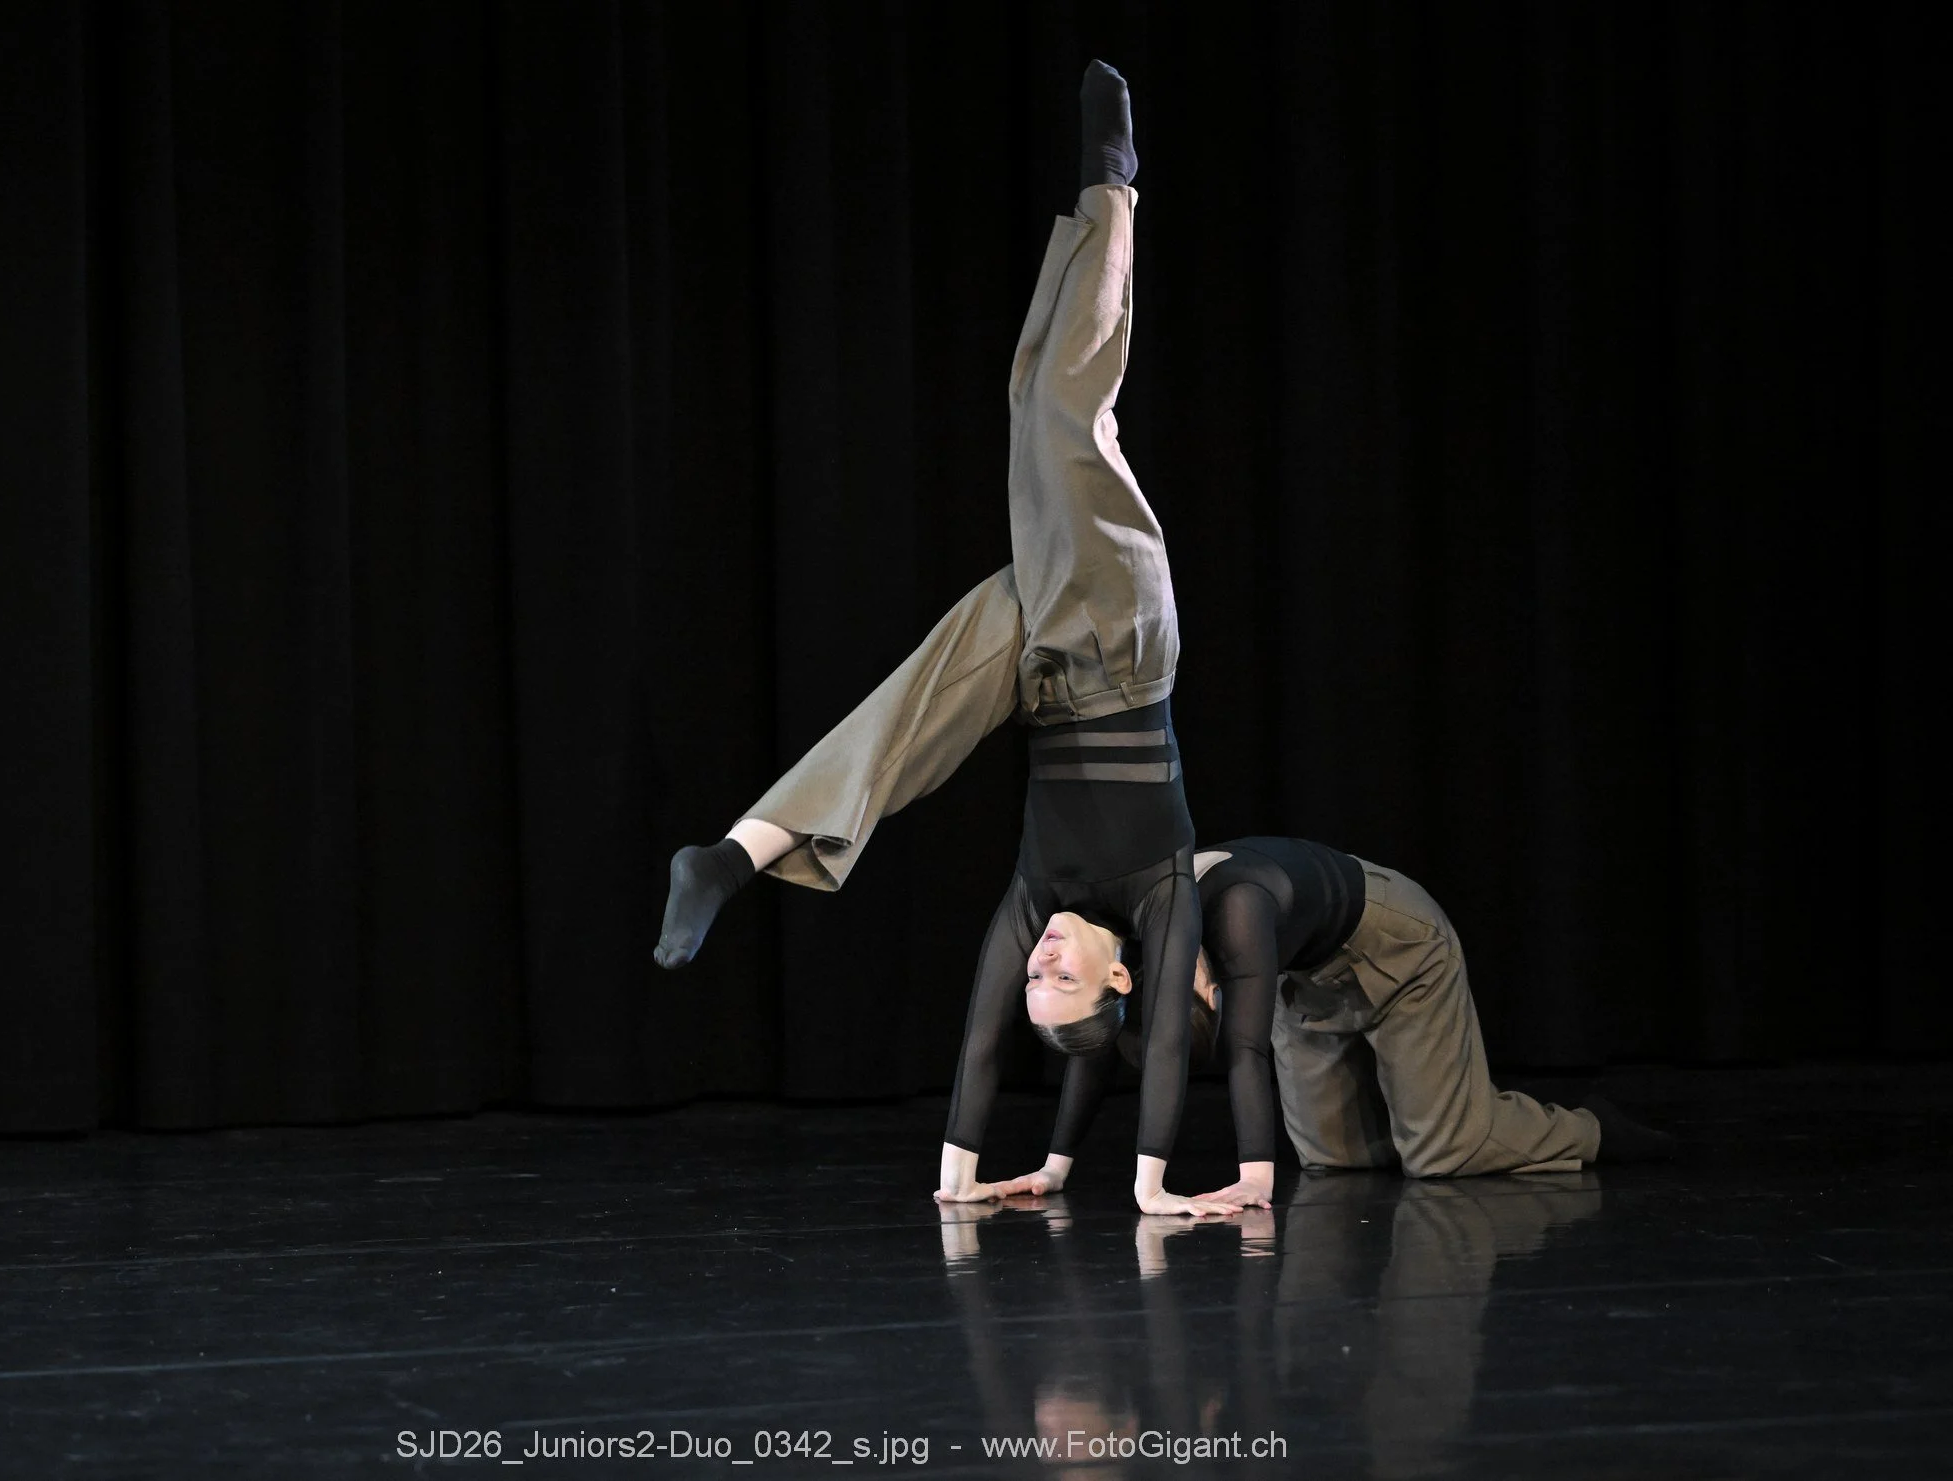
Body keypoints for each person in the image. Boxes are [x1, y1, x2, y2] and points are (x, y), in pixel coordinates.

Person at [654, 62, 1230, 1218]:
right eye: (1064, 979)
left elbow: (975, 1045)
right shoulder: (1162, 897)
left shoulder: (1029, 898)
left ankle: (732, 854)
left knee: (1015, 431)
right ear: (1118, 970)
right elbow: (1169, 1043)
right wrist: (1155, 1188)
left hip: (1034, 669)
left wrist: (958, 1185)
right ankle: (1113, 188)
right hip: (1119, 640)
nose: (1040, 963)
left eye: (1034, 983)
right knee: (1063, 415)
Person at [996, 838, 1676, 1213]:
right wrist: (1054, 1168)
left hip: (1394, 945)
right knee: (1333, 1159)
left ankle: (1590, 1127)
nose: (1044, 964)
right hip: (1304, 978)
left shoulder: (1215, 914)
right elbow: (1096, 1043)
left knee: (1442, 1155)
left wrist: (1255, 1179)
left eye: (1047, 978)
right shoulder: (1125, 960)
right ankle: (1410, 1103)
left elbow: (1246, 1049)